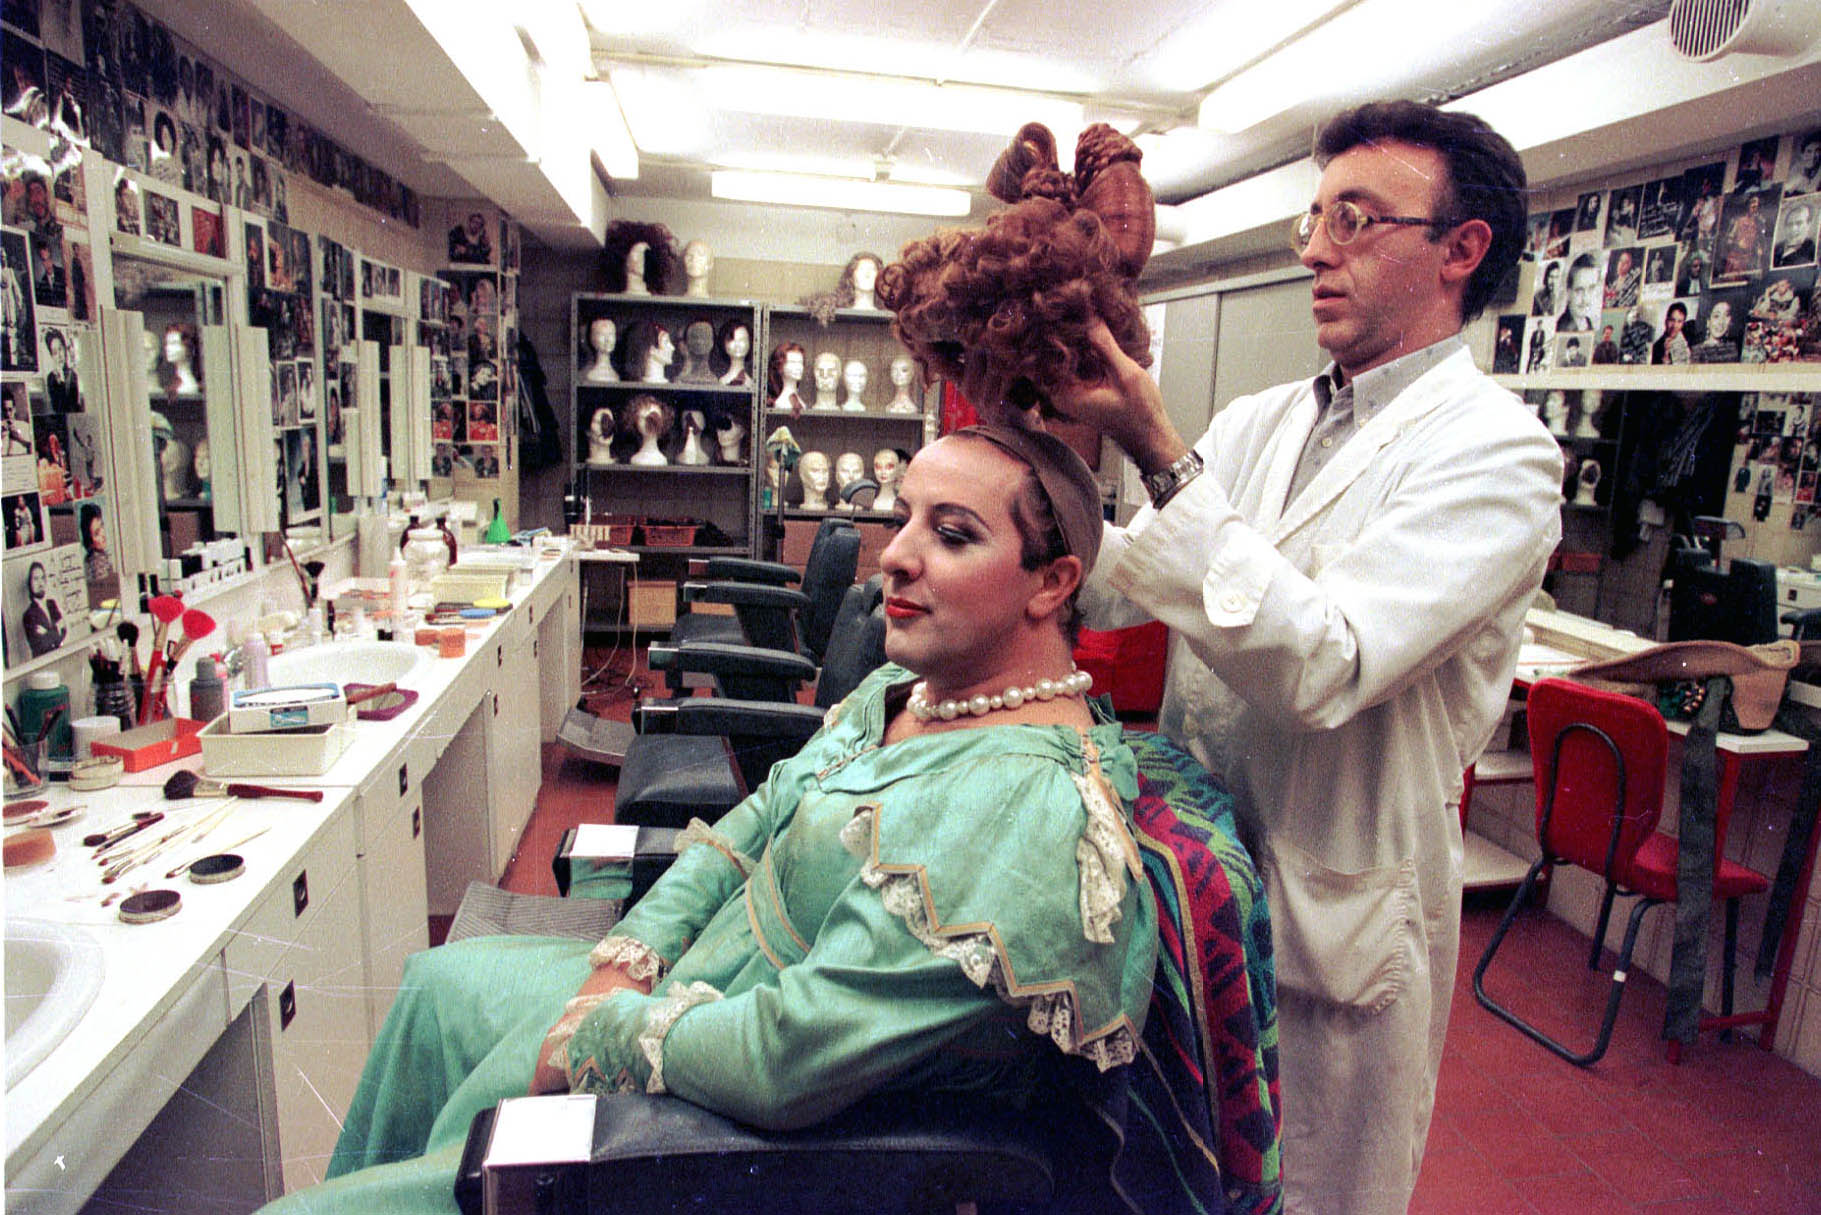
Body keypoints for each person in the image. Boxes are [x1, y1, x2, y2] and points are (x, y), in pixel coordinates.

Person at [888, 100, 1560, 1213]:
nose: (1312, 247)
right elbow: (1112, 576)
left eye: (1353, 217)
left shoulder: (1498, 457)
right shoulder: (1261, 422)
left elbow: (1326, 667)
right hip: (1192, 881)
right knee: (1176, 1180)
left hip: (1326, 920)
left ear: (1461, 250)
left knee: (1305, 1195)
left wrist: (1158, 446)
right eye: (1313, 215)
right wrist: (1028, 402)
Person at [261, 426, 1152, 1215]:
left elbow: (788, 1051)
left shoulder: (1018, 809)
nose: (896, 555)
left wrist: (599, 1028)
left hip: (739, 1101)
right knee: (434, 986)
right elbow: (747, 828)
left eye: (952, 534)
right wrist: (627, 958)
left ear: (1053, 583)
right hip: (685, 982)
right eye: (905, 516)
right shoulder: (906, 694)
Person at [22, 559, 67, 657]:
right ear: (30, 583)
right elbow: (41, 645)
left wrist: (47, 632)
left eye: (42, 578)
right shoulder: (29, 615)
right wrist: (55, 631)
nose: (40, 583)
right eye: (36, 579)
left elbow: (64, 631)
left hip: (60, 656)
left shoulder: (52, 604)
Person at [1556, 251, 1600, 331]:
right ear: (1568, 293)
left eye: (1591, 289)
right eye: (1579, 290)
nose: (1585, 299)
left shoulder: (1588, 322)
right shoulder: (1562, 328)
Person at [1772, 199, 1815, 268]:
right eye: (1789, 224)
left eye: (1799, 223)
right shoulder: (1776, 249)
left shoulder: (1812, 250)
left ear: (1808, 224)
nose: (1793, 229)